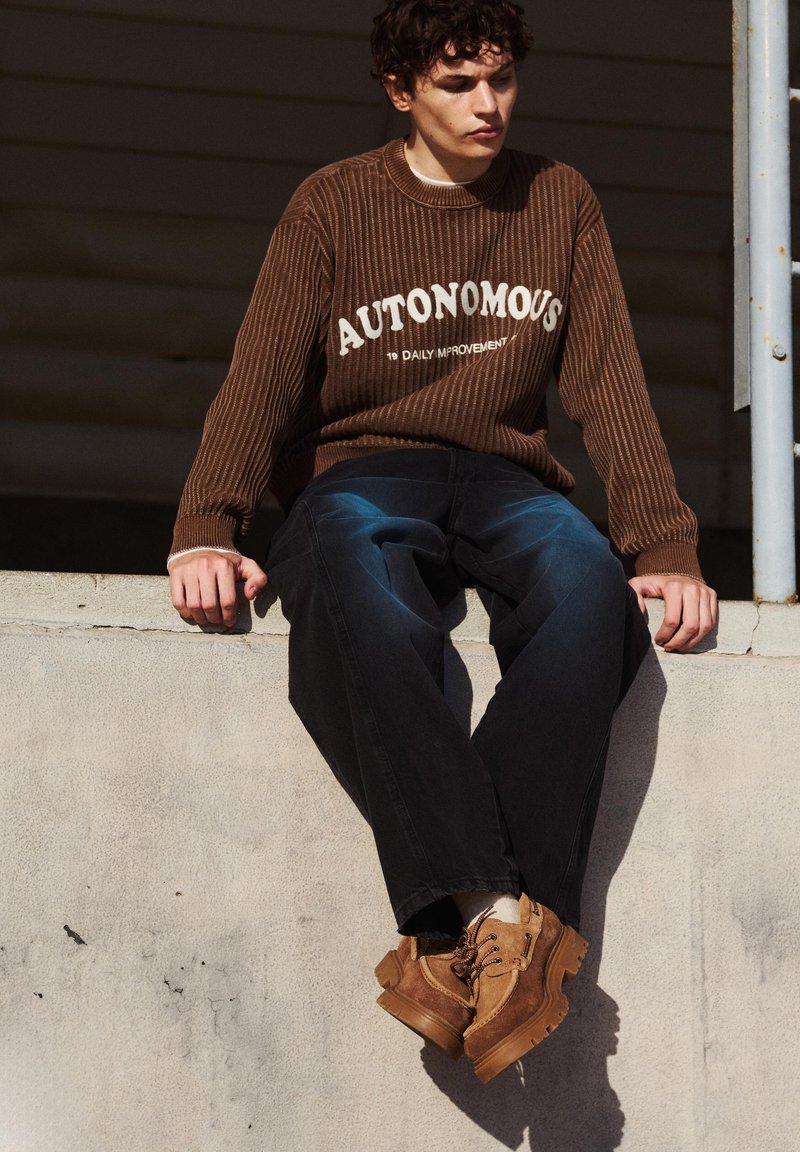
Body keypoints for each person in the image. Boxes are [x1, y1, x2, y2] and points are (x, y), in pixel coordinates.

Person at [167, 0, 717, 1083]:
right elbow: (263, 372)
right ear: (400, 90)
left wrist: (664, 543)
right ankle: (497, 914)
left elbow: (607, 382)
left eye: (500, 79)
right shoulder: (333, 203)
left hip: (509, 477)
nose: (487, 105)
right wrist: (205, 526)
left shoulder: (558, 199)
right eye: (458, 84)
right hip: (363, 469)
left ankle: (450, 945)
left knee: (587, 590)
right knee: (357, 588)